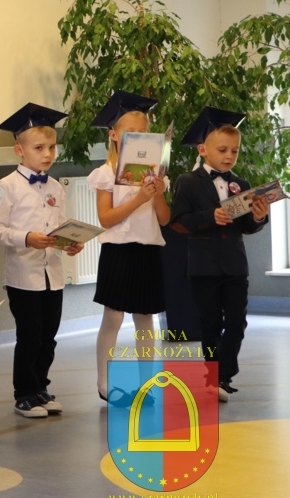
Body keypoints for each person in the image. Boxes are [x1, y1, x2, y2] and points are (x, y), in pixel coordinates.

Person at [0, 103, 84, 419]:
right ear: (20, 150)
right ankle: (24, 394)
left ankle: (41, 386)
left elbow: (60, 224)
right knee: (29, 336)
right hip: (23, 276)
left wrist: (70, 242)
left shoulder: (55, 187)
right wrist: (26, 238)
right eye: (39, 148)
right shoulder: (6, 187)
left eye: (52, 147)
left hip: (52, 275)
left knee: (48, 337)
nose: (47, 154)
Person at [169, 107, 269, 403]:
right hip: (204, 266)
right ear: (203, 149)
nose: (229, 156)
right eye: (222, 150)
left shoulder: (242, 185)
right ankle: (213, 374)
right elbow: (178, 222)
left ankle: (224, 375)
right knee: (210, 323)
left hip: (235, 265)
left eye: (234, 151)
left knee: (237, 321)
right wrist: (209, 216)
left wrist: (259, 217)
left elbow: (247, 226)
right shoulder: (188, 181)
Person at [87, 91, 171, 404]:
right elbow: (106, 219)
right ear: (114, 135)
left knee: (145, 319)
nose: (138, 139)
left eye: (143, 133)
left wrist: (157, 193)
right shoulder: (105, 174)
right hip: (118, 251)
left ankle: (146, 385)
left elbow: (164, 219)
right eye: (130, 133)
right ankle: (104, 383)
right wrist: (138, 198)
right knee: (113, 317)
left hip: (147, 251)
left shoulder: (156, 173)